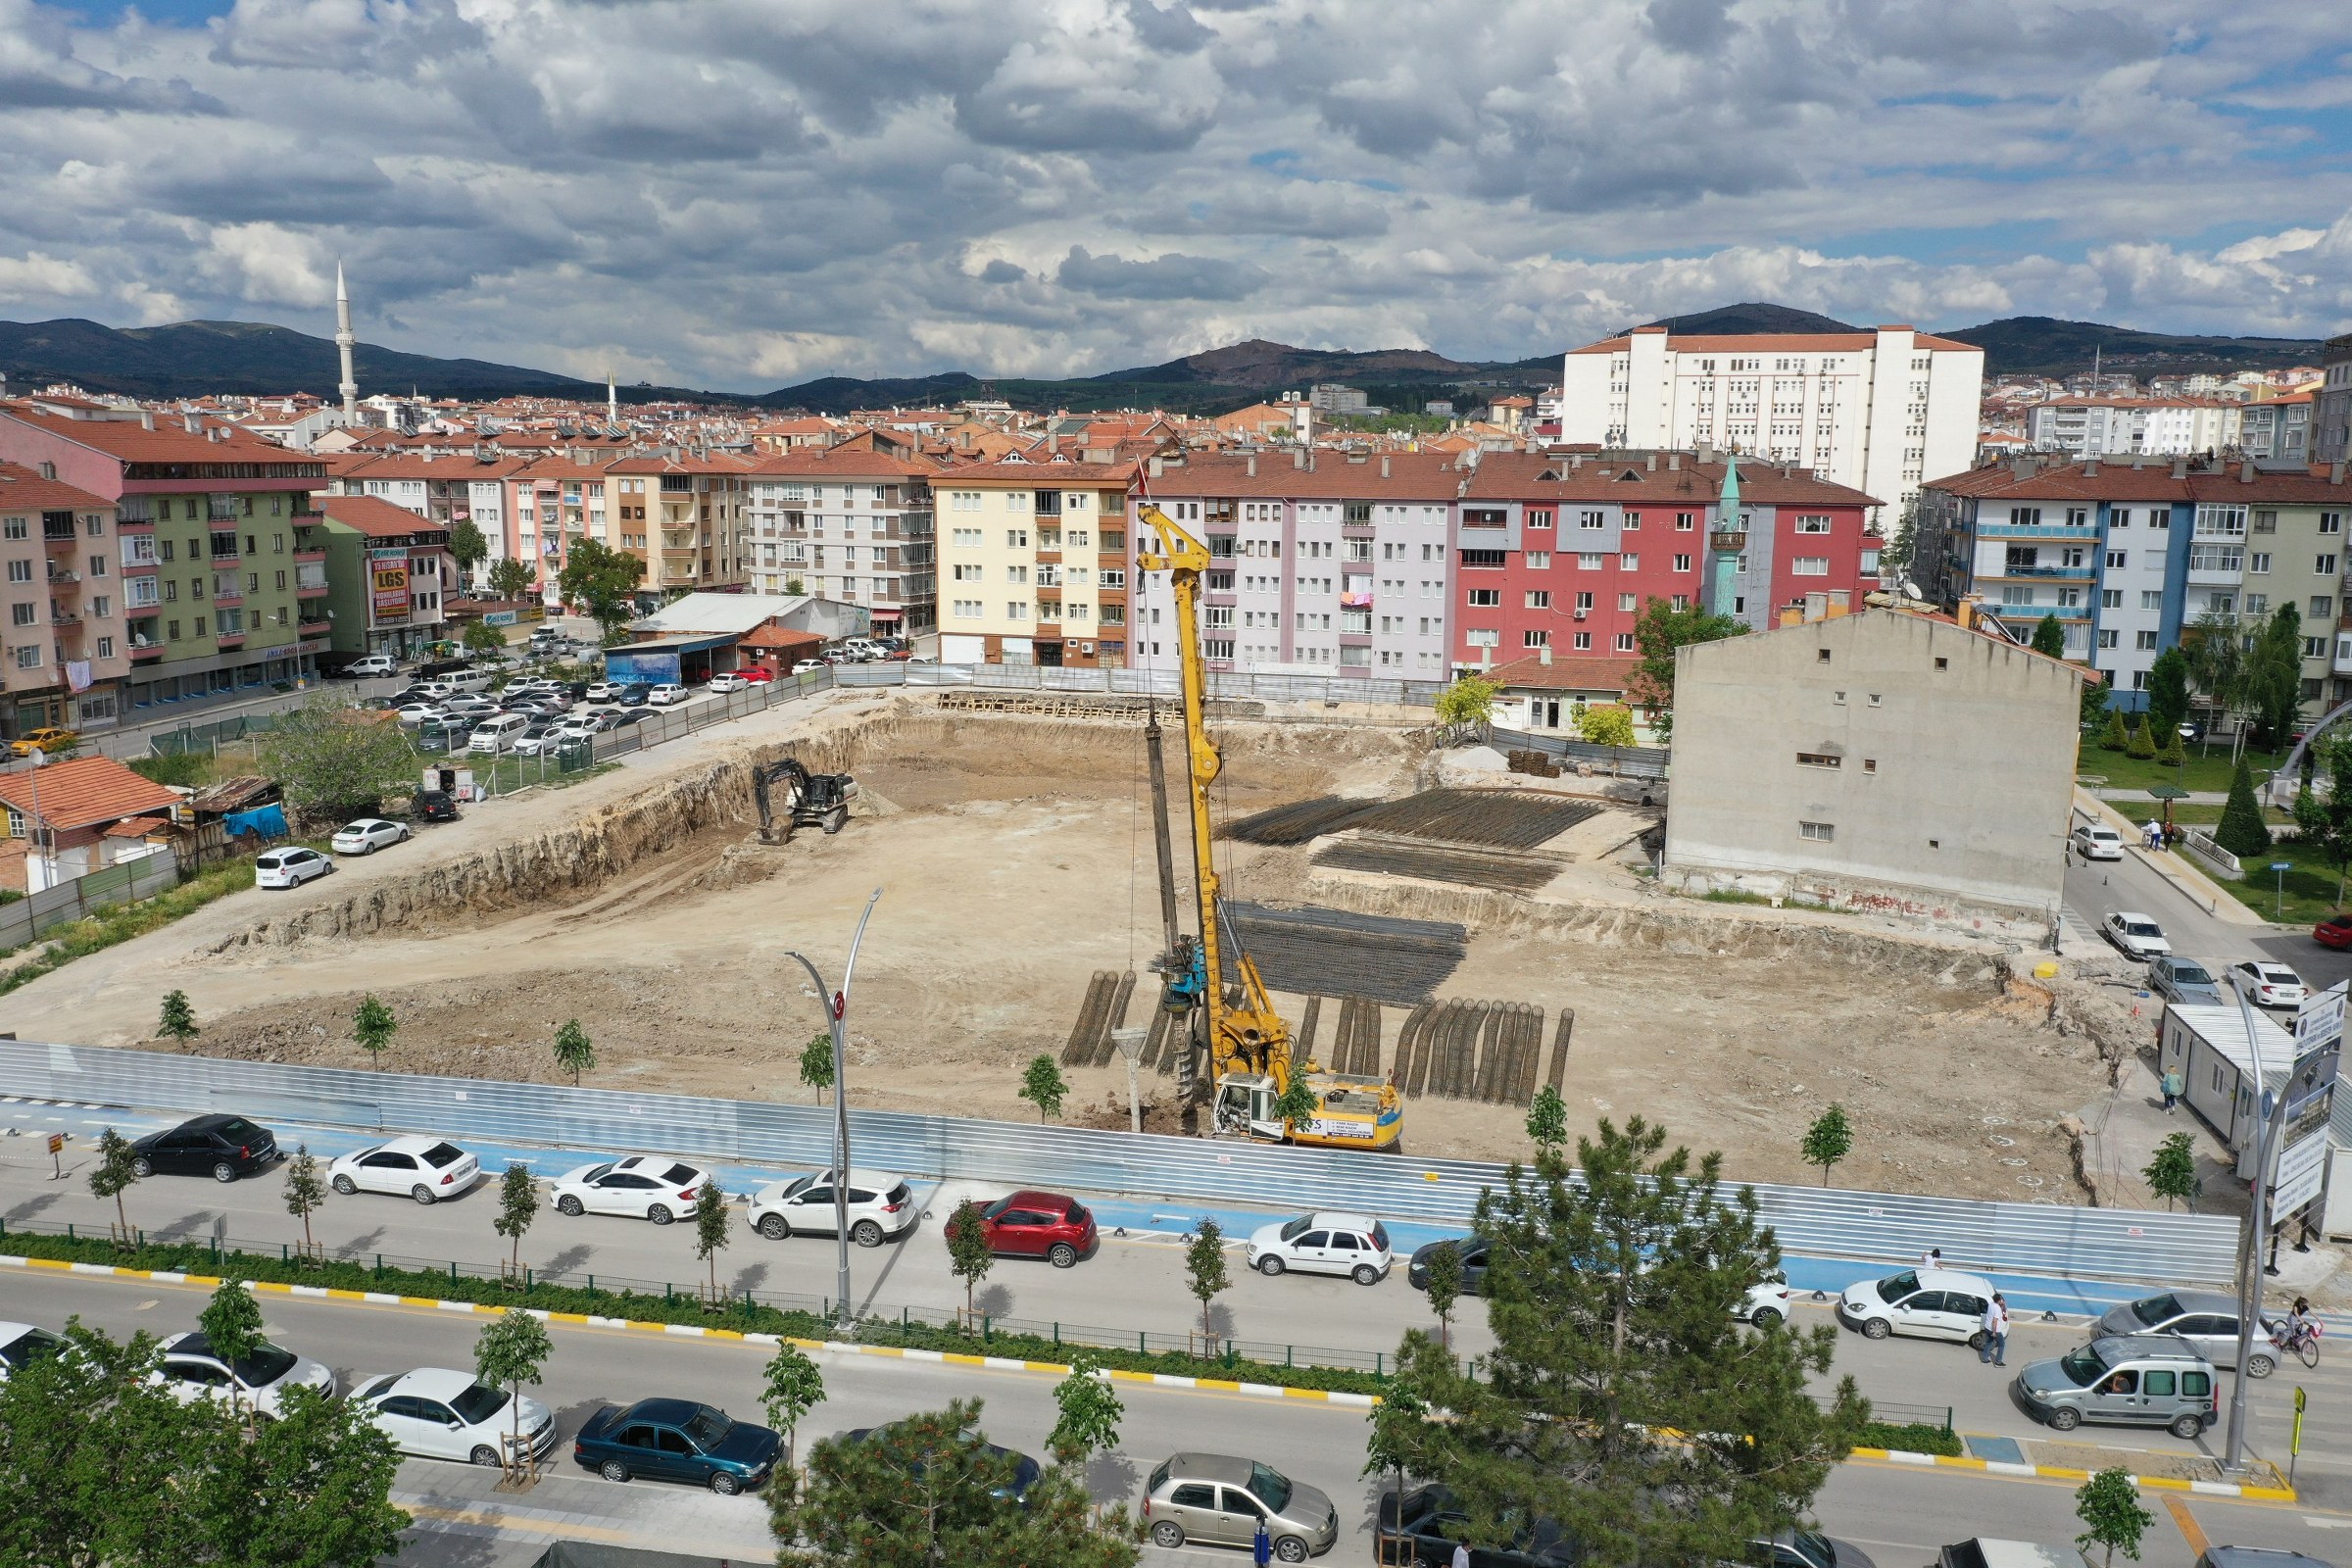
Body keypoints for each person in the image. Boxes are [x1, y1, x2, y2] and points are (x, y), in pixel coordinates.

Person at [1981, 1293, 2009, 1367]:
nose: (2002, 1300)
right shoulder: (1997, 1308)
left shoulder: (1991, 1304)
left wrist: (2002, 1305)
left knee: (1989, 1342)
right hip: (1994, 1330)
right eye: (2001, 1299)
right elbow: (1995, 1321)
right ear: (1999, 1301)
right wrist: (1994, 1332)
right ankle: (1998, 1362)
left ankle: (1984, 1359)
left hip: (1987, 1327)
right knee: (2002, 1344)